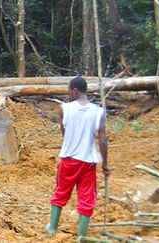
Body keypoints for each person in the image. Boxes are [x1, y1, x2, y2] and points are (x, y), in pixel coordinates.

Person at [46, 77, 111, 238]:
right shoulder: (98, 112)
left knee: (61, 191)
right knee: (87, 196)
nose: (68, 92)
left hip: (69, 159)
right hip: (88, 162)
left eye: (69, 90)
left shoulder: (64, 109)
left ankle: (53, 227)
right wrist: (105, 165)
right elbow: (102, 140)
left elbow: (64, 131)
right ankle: (82, 235)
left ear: (75, 90)